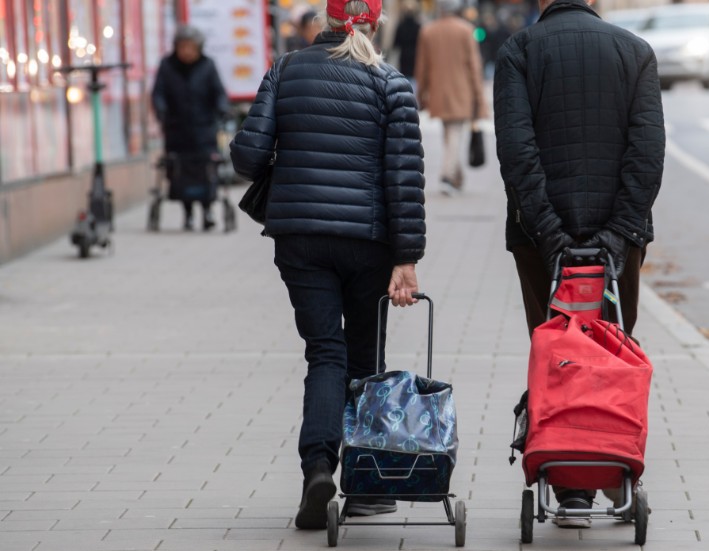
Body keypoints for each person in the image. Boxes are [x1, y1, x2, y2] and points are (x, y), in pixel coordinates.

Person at [229, 0, 425, 528]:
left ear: (323, 22)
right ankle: (363, 489)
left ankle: (317, 469)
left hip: (300, 237)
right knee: (364, 358)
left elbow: (247, 158)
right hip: (369, 242)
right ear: (377, 23)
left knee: (325, 354)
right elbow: (404, 181)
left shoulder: (286, 70)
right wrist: (406, 258)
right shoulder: (391, 84)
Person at [493, 0, 665, 528]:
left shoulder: (519, 51)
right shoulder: (635, 52)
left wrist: (548, 233)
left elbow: (516, 150)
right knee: (612, 348)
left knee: (557, 351)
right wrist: (621, 234)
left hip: (539, 240)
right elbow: (647, 150)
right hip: (619, 241)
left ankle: (570, 485)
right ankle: (612, 468)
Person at [151, 25, 229, 231]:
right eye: (182, 46)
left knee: (206, 171)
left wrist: (221, 108)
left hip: (203, 130)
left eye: (190, 47)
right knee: (180, 173)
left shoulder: (208, 65)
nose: (186, 51)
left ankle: (207, 211)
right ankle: (188, 214)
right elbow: (158, 93)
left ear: (199, 48)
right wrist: (161, 109)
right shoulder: (167, 66)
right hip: (176, 130)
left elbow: (219, 92)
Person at [414, 0, 488, 196]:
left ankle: (456, 176)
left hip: (438, 92)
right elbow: (474, 67)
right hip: (461, 91)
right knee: (454, 132)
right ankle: (447, 176)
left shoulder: (428, 31)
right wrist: (479, 98)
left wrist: (420, 95)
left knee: (449, 132)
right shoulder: (466, 30)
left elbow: (422, 68)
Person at [391, 0, 421, 80]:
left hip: (403, 58)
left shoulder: (400, 26)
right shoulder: (418, 27)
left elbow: (395, 44)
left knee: (404, 79)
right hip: (415, 58)